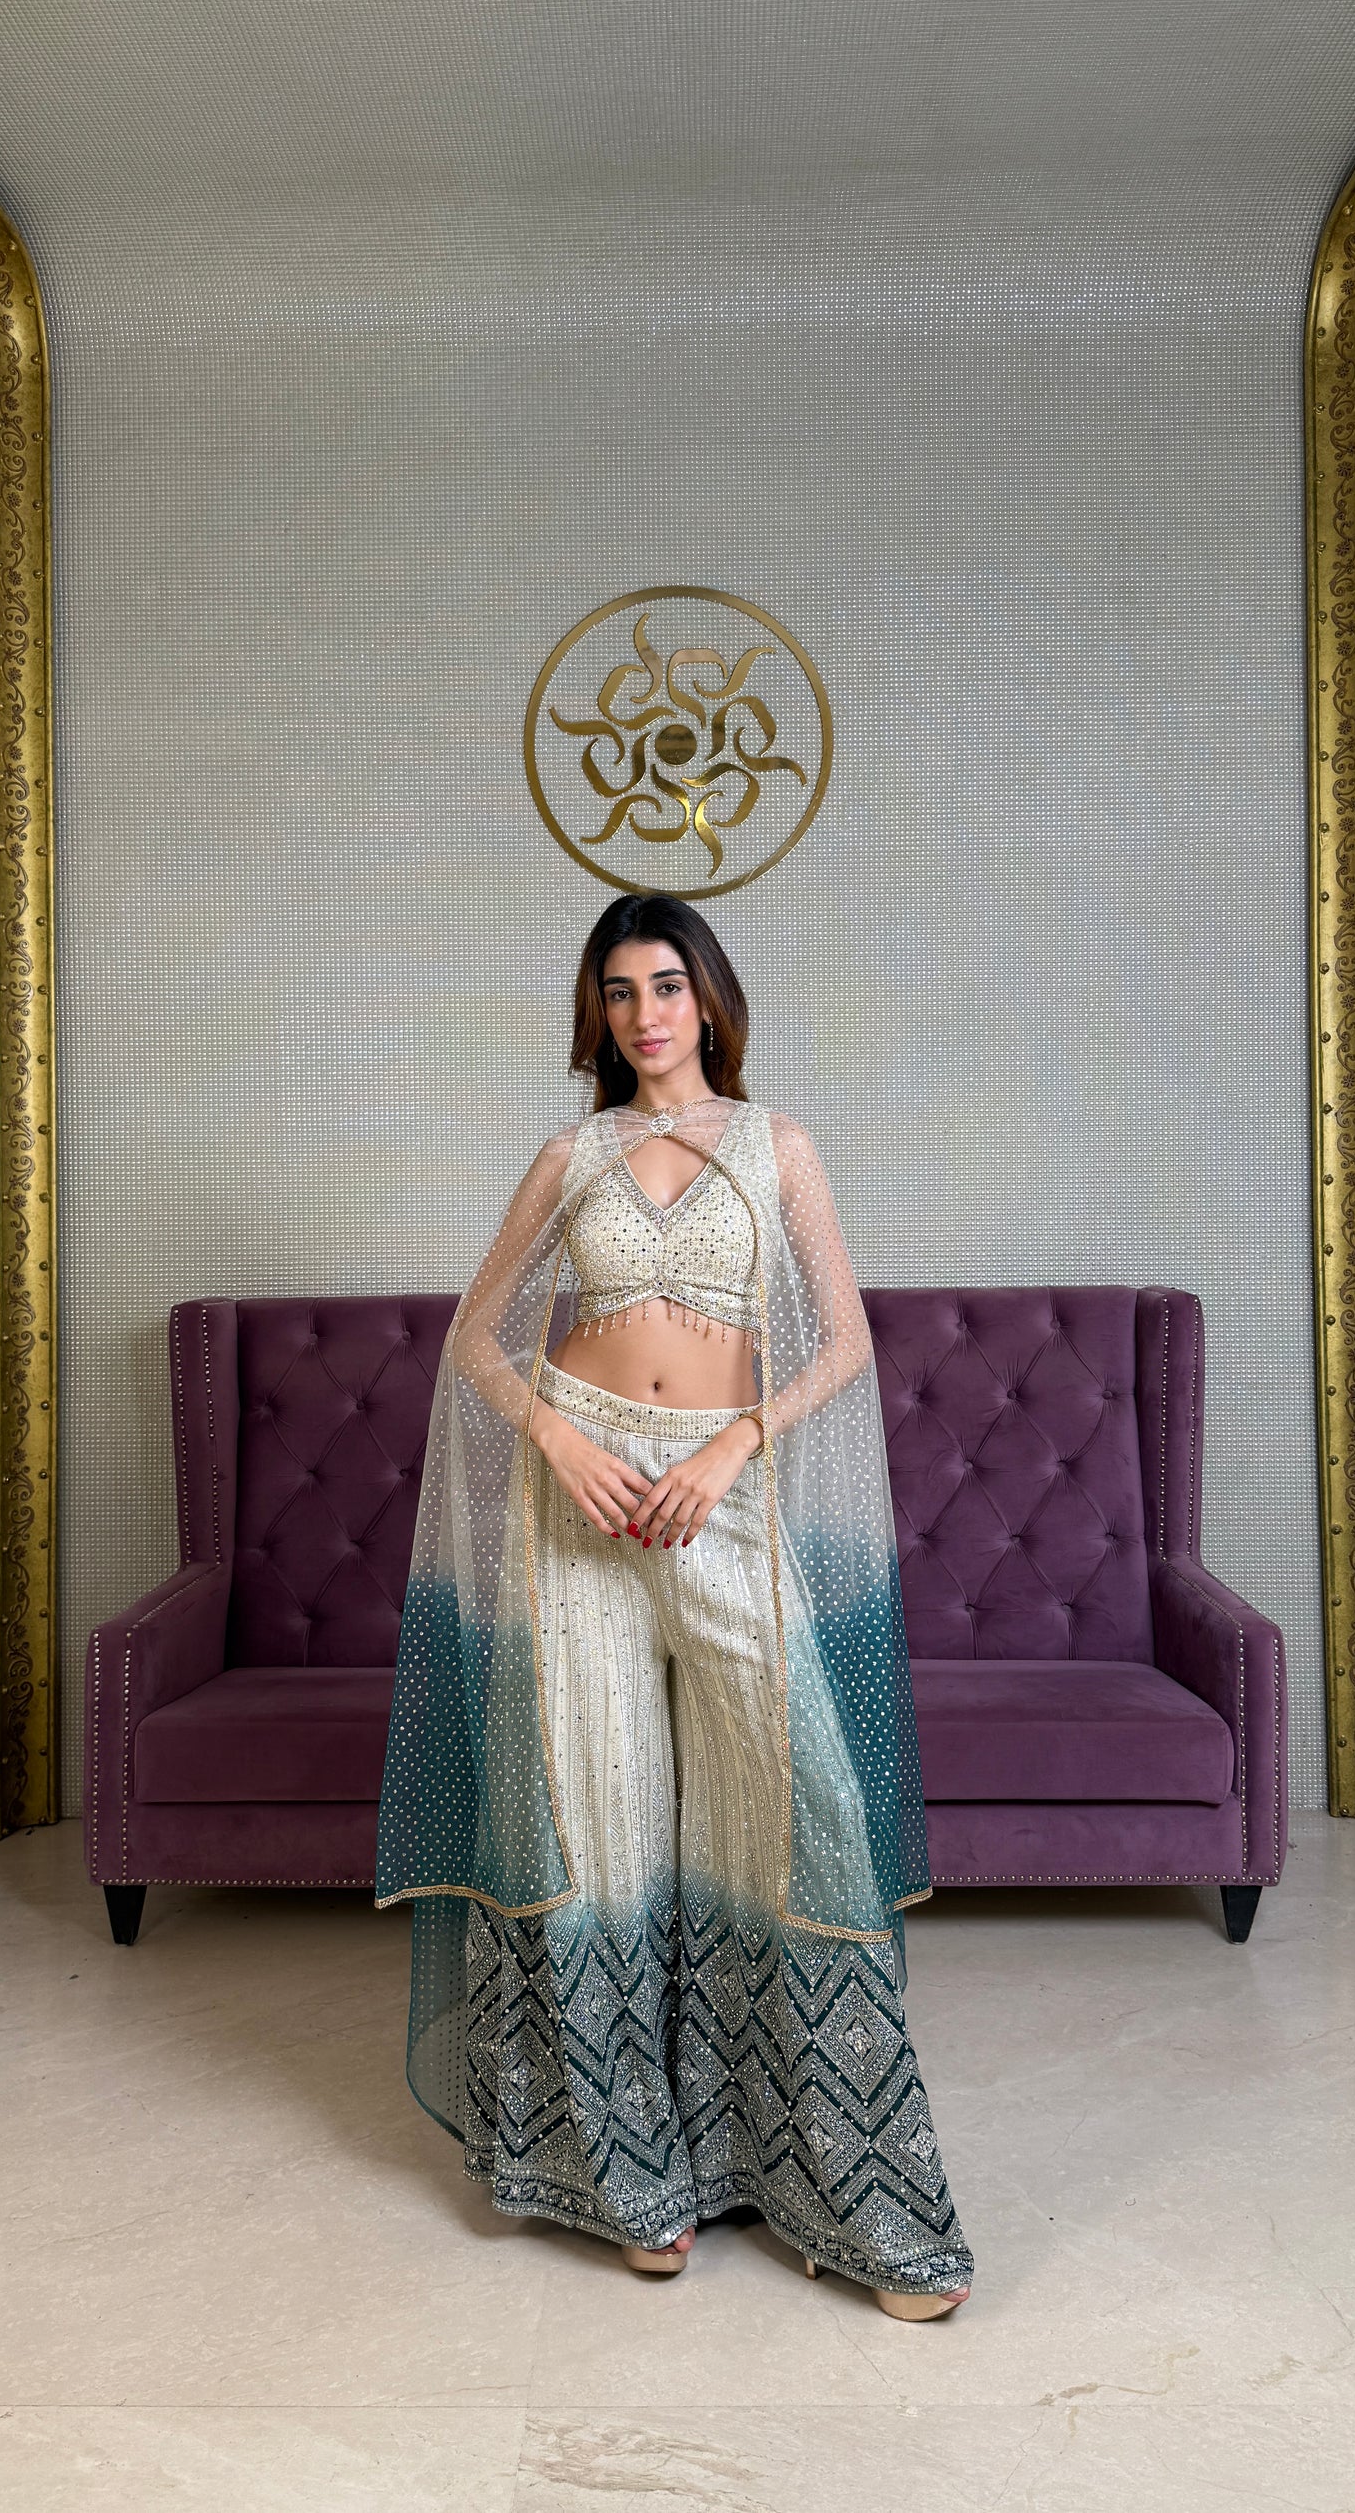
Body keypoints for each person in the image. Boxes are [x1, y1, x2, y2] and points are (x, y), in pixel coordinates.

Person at [376, 894, 972, 2318]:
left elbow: (840, 1341)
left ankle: (858, 2197)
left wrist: (724, 1448)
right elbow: (476, 1334)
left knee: (794, 1812)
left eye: (666, 985)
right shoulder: (568, 1153)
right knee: (592, 1818)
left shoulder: (779, 1151)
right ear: (598, 1015)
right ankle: (626, 2172)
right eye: (618, 991)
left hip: (721, 1499)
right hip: (572, 1503)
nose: (645, 1013)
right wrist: (564, 1440)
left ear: (708, 998)